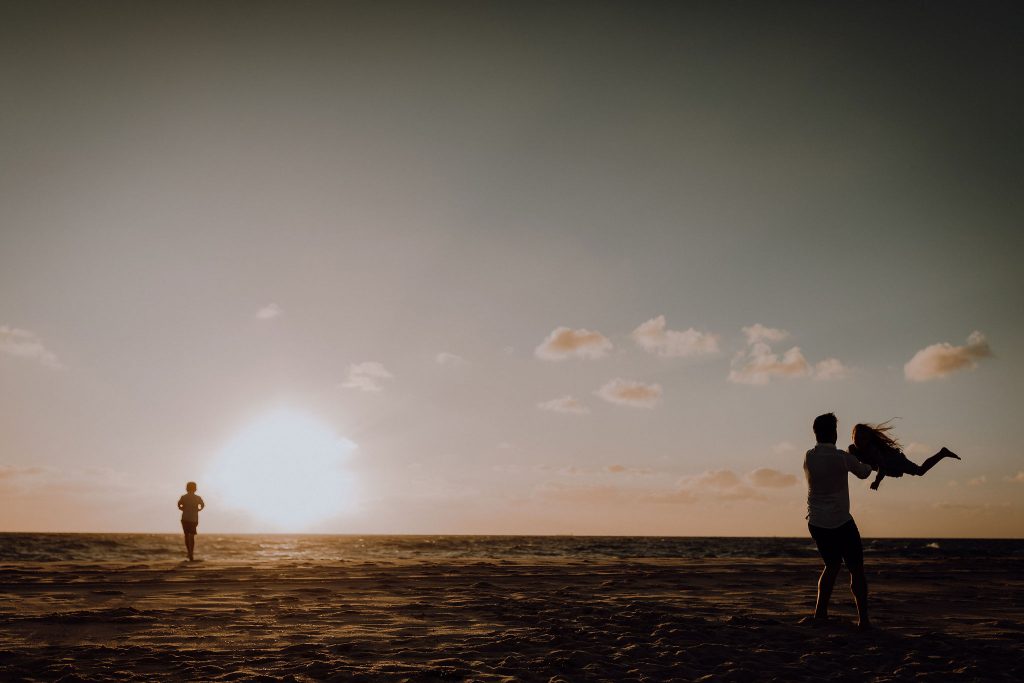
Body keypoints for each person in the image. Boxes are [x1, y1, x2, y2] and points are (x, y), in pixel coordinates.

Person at [804, 413, 874, 629]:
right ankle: (863, 620)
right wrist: (869, 459)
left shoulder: (808, 456)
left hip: (816, 522)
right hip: (841, 522)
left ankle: (820, 614)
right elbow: (863, 473)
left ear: (816, 434)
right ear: (834, 433)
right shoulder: (842, 457)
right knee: (856, 569)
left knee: (831, 565)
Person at [849, 422, 960, 490]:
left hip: (896, 460)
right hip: (889, 465)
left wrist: (877, 482)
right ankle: (943, 453)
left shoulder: (873, 450)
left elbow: (882, 467)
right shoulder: (852, 449)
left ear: (867, 439)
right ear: (852, 438)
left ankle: (942, 453)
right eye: (856, 439)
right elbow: (845, 457)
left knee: (920, 471)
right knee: (917, 472)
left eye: (862, 439)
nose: (859, 442)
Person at [177, 481, 205, 561]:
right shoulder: (197, 497)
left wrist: (182, 508)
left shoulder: (184, 497)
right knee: (191, 536)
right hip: (194, 519)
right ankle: (191, 553)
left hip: (185, 518)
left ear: (187, 488)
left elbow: (179, 504)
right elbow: (202, 505)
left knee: (186, 535)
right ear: (195, 489)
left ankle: (189, 552)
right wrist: (198, 509)